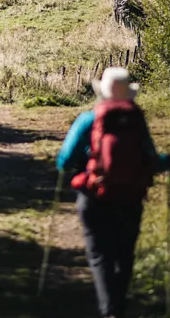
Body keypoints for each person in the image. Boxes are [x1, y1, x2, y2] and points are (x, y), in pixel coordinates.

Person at [57, 67, 169, 318]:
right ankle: (119, 302)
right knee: (124, 253)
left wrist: (77, 169)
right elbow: (151, 159)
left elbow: (64, 161)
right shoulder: (136, 121)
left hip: (95, 196)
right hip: (130, 197)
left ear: (102, 92)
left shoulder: (89, 119)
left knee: (100, 255)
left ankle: (111, 311)